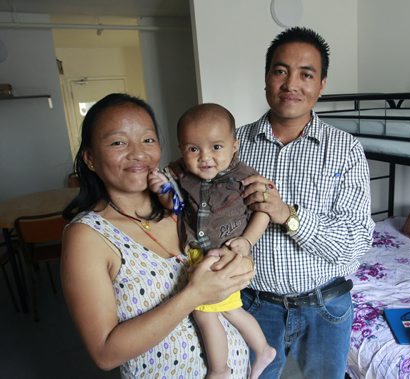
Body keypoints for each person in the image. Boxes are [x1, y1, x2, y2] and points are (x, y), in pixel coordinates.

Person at [60, 93, 255, 378]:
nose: (138, 153)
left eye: (148, 140)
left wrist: (241, 262)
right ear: (90, 158)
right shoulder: (87, 236)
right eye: (118, 142)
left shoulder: (183, 207)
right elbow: (105, 353)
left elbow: (234, 252)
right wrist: (194, 295)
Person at [236, 27, 376, 378]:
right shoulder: (233, 145)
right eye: (280, 71)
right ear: (267, 77)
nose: (291, 84)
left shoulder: (345, 149)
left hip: (326, 307)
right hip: (253, 304)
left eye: (306, 74)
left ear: (322, 84)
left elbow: (356, 242)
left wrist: (287, 214)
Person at [148, 103, 276, 379]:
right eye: (193, 149)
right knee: (231, 310)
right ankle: (263, 349)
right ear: (182, 150)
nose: (205, 157)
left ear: (234, 146)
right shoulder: (182, 175)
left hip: (225, 257)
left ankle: (220, 370)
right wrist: (162, 192)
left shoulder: (245, 177)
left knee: (205, 314)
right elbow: (177, 207)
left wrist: (247, 241)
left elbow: (264, 211)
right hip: (199, 255)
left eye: (216, 147)